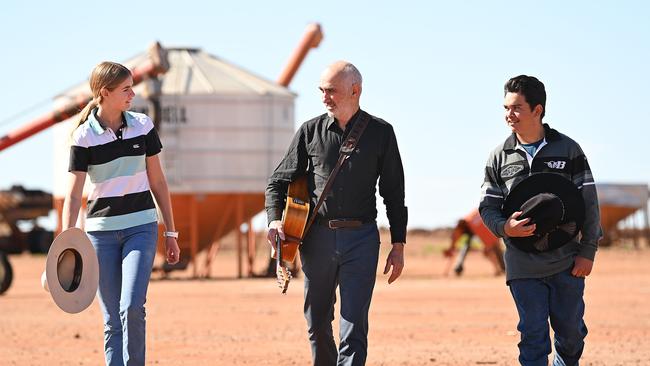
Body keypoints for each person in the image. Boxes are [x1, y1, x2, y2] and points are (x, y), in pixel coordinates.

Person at [265, 61, 407, 366]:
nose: (324, 96)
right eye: (322, 90)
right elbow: (277, 182)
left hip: (362, 239)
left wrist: (398, 244)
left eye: (332, 90)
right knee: (317, 323)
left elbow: (394, 193)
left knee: (354, 326)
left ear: (355, 90)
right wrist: (275, 219)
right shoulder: (309, 132)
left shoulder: (381, 133)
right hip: (316, 239)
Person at [62, 61, 180, 366]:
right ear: (106, 92)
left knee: (131, 307)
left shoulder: (142, 125)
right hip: (100, 233)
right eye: (126, 89)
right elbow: (74, 194)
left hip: (141, 226)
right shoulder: (84, 137)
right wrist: (68, 239)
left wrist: (170, 232)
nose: (133, 93)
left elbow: (158, 182)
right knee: (112, 318)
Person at [479, 75, 602, 366]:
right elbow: (487, 207)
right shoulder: (499, 156)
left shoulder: (569, 150)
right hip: (522, 264)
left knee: (570, 336)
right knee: (533, 336)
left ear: (538, 109)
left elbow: (589, 203)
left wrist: (588, 252)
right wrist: (504, 227)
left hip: (567, 263)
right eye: (506, 108)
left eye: (517, 108)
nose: (509, 114)